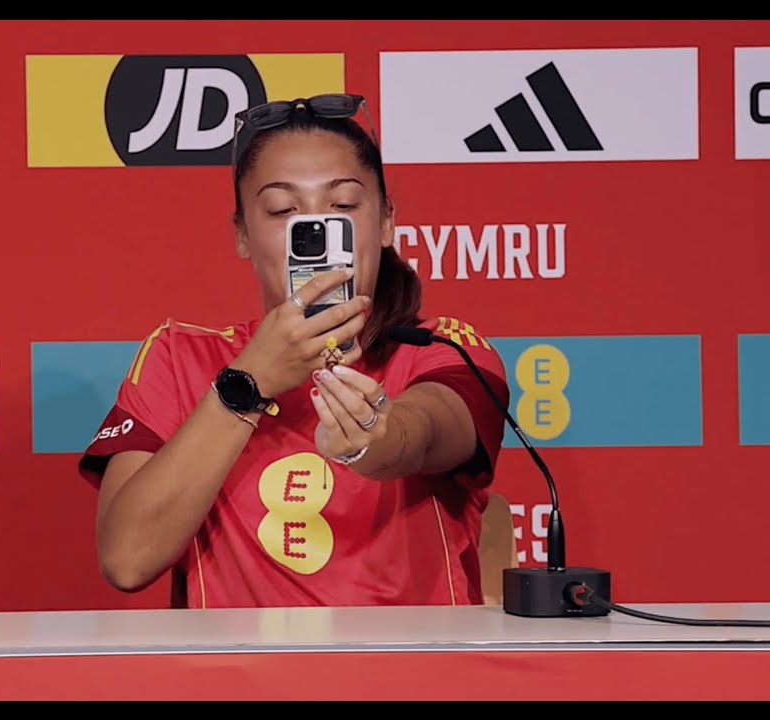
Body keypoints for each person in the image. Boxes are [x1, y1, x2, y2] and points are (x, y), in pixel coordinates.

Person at [78, 94, 510, 608]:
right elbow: (127, 559)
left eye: (344, 205)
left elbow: (422, 432)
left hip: (405, 677)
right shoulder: (178, 356)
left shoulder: (446, 348)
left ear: (387, 222)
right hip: (235, 681)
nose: (316, 227)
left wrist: (375, 436)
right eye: (283, 210)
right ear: (242, 234)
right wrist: (246, 385)